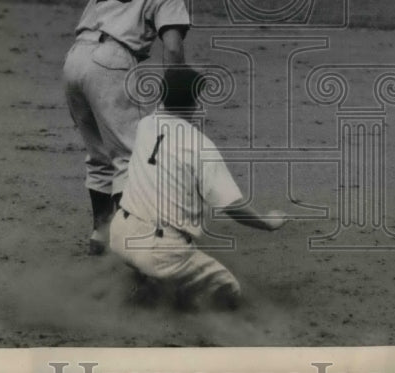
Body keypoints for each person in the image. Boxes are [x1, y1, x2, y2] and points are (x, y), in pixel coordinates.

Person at [110, 66, 288, 310]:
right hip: (161, 252)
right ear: (194, 102)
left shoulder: (144, 125)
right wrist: (266, 223)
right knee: (228, 290)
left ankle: (144, 281)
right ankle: (167, 305)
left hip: (120, 235)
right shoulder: (200, 146)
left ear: (161, 97)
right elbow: (232, 206)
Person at [64, 0, 192, 255]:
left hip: (75, 59)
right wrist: (177, 101)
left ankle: (101, 235)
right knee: (131, 158)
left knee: (98, 155)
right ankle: (133, 245)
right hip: (111, 63)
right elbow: (174, 47)